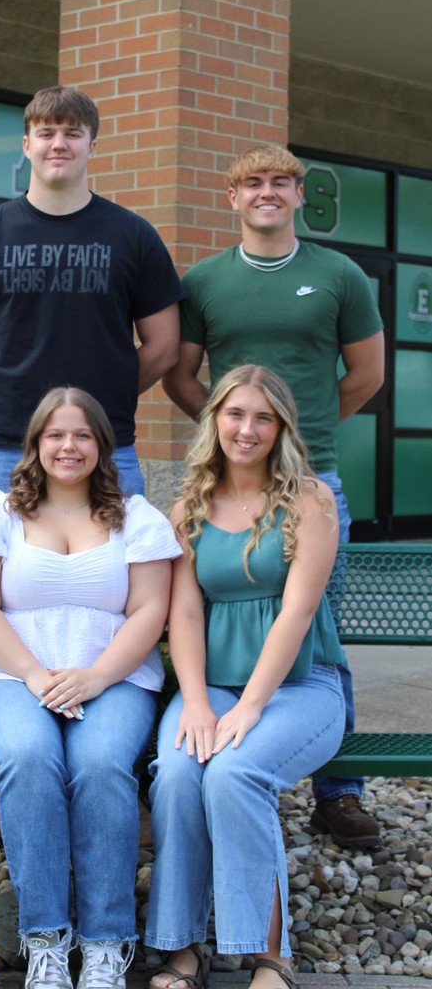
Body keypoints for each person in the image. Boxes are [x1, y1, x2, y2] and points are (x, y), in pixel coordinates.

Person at [161, 144, 384, 849]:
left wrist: (290, 435)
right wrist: (236, 439)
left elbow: (367, 373)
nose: (265, 192)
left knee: (320, 631)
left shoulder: (337, 274)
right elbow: (181, 375)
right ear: (231, 198)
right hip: (228, 486)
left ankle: (337, 792)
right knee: (210, 605)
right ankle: (209, 733)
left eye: (279, 183)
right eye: (251, 183)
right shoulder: (203, 282)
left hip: (315, 481)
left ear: (298, 195)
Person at [0, 387, 179, 989]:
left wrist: (97, 675)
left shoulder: (137, 518)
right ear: (35, 444)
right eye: (55, 434)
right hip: (5, 675)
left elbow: (151, 610)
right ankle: (45, 939)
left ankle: (106, 943)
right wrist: (32, 672)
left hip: (114, 677)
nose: (68, 446)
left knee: (101, 764)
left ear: (103, 446)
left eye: (82, 434)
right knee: (29, 756)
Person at [145, 365, 346, 989]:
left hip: (298, 688)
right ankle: (183, 948)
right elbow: (181, 611)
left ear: (281, 425)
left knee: (235, 773)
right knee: (178, 773)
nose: (247, 429)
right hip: (213, 689)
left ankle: (270, 955)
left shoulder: (309, 501)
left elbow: (299, 610)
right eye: (235, 414)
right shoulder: (188, 507)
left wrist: (251, 705)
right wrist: (198, 701)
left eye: (262, 417)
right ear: (215, 421)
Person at [0, 85, 185, 499]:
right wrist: (8, 393)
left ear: (92, 146)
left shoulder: (134, 236)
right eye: (47, 132)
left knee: (114, 561)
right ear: (26, 144)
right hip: (5, 447)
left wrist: (109, 392)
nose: (59, 144)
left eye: (72, 133)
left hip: (105, 444)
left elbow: (164, 346)